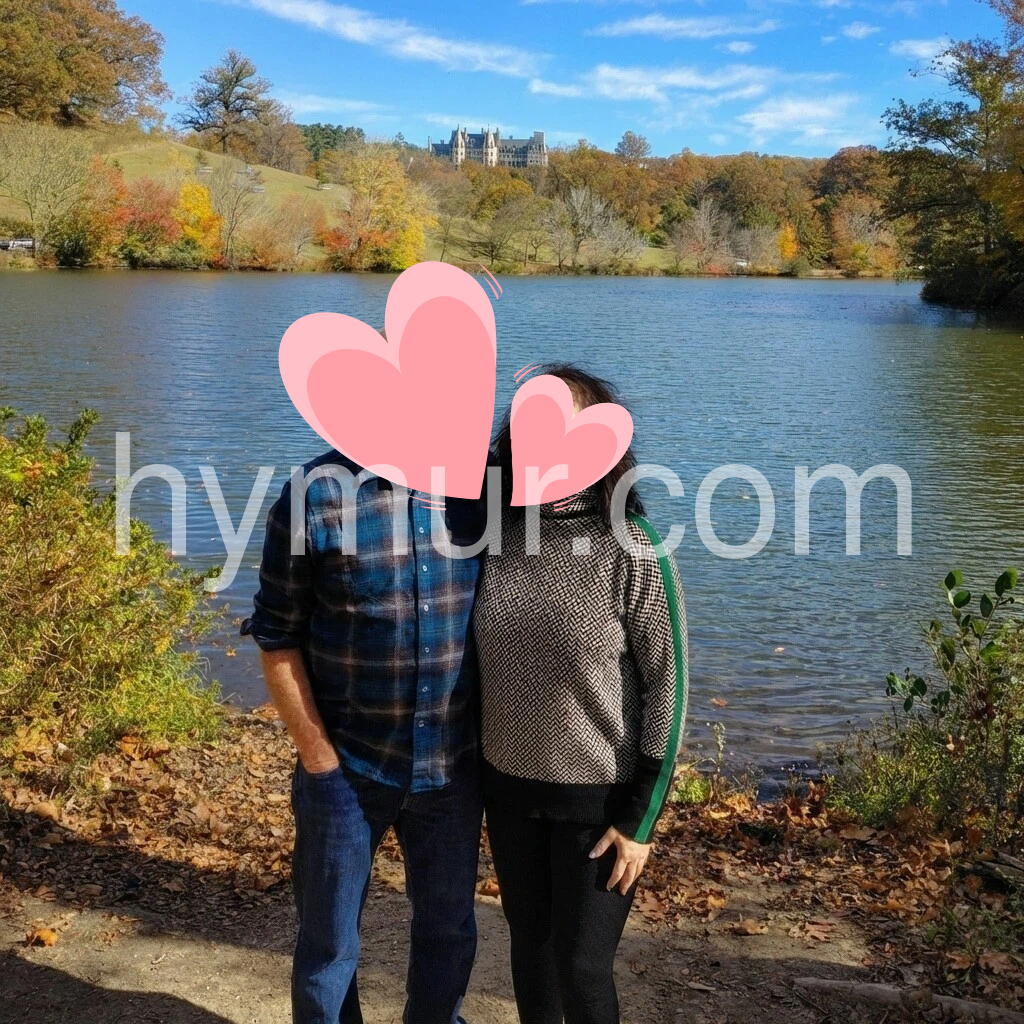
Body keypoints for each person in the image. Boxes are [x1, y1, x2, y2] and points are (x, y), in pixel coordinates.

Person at [473, 364, 688, 1024]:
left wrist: (640, 820)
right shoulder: (496, 533)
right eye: (530, 424)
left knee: (583, 967)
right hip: (509, 794)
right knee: (531, 952)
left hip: (599, 807)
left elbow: (670, 688)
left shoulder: (634, 549)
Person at [246, 445, 486, 1024]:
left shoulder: (483, 486)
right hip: (348, 769)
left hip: (453, 769)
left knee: (449, 932)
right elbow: (276, 635)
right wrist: (318, 759)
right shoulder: (316, 494)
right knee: (328, 945)